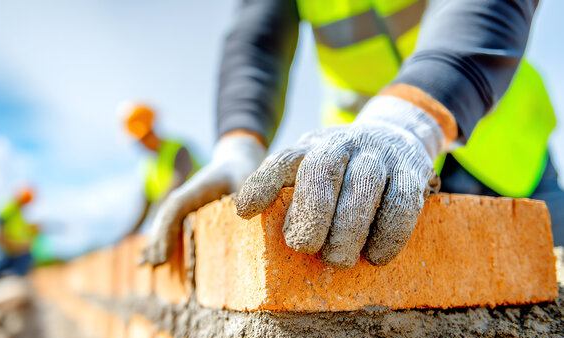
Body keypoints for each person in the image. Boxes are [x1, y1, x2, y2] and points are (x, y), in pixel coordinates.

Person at [143, 0, 563, 269]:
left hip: (503, 148)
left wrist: (411, 120)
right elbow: (258, 42)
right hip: (363, 175)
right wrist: (239, 146)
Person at [120, 103, 201, 234]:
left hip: (197, 212)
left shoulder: (177, 149)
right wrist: (130, 233)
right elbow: (145, 207)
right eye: (138, 141)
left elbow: (176, 187)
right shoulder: (149, 166)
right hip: (174, 219)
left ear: (152, 130)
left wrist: (157, 216)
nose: (142, 144)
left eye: (145, 137)